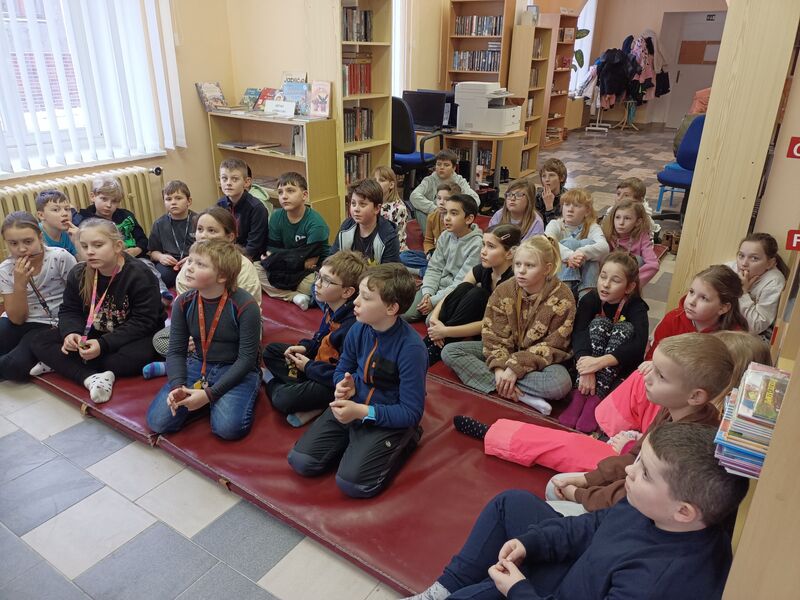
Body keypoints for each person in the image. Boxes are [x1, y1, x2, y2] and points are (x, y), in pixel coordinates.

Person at [406, 422, 749, 600]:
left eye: (645, 473)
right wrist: (532, 543)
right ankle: (444, 588)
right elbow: (594, 525)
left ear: (684, 511)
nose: (630, 471)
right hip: (586, 570)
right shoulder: (653, 507)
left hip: (572, 590)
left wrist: (519, 590)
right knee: (510, 503)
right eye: (639, 461)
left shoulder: (656, 584)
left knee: (483, 592)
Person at [452, 331, 769, 492]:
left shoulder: (705, 428)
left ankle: (496, 434)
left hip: (631, 470)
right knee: (572, 442)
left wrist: (584, 488)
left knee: (566, 448)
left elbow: (647, 465)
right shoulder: (692, 407)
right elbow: (649, 441)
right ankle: (500, 432)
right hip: (632, 453)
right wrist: (630, 440)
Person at [548, 333, 733, 515]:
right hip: (632, 491)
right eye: (653, 367)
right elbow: (635, 457)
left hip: (640, 511)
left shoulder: (685, 445)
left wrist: (580, 495)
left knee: (553, 490)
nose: (647, 378)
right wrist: (587, 479)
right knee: (557, 485)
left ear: (695, 396)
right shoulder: (674, 409)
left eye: (661, 376)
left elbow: (632, 492)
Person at [287, 263, 427, 498]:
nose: (356, 302)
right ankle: (354, 442)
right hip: (354, 405)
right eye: (358, 294)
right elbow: (342, 368)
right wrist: (343, 385)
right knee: (301, 461)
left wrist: (362, 412)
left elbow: (411, 412)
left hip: (384, 415)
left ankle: (406, 440)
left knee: (353, 484)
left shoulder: (411, 348)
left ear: (391, 308)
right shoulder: (358, 328)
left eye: (366, 298)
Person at [28, 219, 165, 403]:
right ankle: (91, 377)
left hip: (134, 335)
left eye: (98, 245)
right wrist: (72, 333)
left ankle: (63, 363)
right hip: (95, 331)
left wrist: (103, 344)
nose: (90, 251)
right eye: (84, 246)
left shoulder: (139, 274)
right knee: (39, 340)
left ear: (117, 246)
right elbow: (70, 310)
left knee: (132, 358)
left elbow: (144, 322)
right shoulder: (79, 273)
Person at [441, 236, 575, 416]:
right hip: (505, 351)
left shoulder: (563, 297)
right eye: (518, 264)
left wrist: (515, 368)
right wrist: (498, 369)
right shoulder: (504, 289)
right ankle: (521, 394)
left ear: (547, 268)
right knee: (450, 352)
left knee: (560, 384)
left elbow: (554, 345)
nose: (521, 271)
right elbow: (492, 333)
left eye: (530, 266)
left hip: (539, 362)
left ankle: (502, 385)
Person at [146, 240, 261, 440]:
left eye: (200, 264)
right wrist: (177, 386)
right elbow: (176, 351)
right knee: (158, 421)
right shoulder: (183, 302)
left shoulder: (245, 306)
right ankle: (202, 400)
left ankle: (207, 399)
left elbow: (247, 359)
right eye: (190, 261)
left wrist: (209, 394)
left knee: (228, 429)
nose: (189, 267)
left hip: (236, 368)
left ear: (222, 276)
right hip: (199, 363)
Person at [143, 207, 262, 379]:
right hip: (197, 328)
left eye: (212, 230)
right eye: (200, 229)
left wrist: (203, 337)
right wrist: (190, 336)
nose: (203, 235)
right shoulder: (190, 265)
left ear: (230, 237)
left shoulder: (243, 266)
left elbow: (250, 309)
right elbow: (184, 305)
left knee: (235, 350)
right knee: (160, 340)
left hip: (232, 328)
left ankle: (189, 363)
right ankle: (184, 362)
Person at [262, 250, 367, 427]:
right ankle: (309, 399)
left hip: (332, 382)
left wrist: (308, 367)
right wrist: (305, 348)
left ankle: (276, 383)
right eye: (318, 276)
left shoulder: (352, 327)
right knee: (271, 351)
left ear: (347, 291)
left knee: (283, 398)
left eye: (326, 281)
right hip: (318, 366)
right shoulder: (332, 307)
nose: (317, 283)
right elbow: (320, 339)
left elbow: (345, 376)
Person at [558, 251, 649, 432]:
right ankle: (579, 396)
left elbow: (638, 346)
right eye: (603, 276)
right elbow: (579, 333)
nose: (605, 284)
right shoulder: (590, 299)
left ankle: (595, 400)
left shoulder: (637, 306)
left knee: (625, 329)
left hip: (617, 370)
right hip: (586, 368)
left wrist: (600, 363)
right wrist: (587, 370)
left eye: (615, 281)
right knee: (599, 323)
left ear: (629, 287)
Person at [424, 224, 519, 364]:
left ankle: (437, 345)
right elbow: (454, 293)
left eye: (491, 246)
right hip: (473, 324)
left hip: (498, 332)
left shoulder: (513, 282)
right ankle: (431, 342)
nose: (483, 251)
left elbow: (491, 324)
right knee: (463, 289)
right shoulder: (482, 269)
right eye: (483, 245)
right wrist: (435, 319)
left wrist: (445, 331)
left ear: (509, 253)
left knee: (478, 294)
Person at [0, 212, 76, 379]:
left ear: (40, 237)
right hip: (20, 320)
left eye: (28, 241)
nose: (21, 249)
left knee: (14, 366)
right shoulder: (5, 269)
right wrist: (20, 284)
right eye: (13, 243)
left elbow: (78, 298)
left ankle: (47, 357)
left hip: (49, 323)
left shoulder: (60, 257)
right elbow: (17, 319)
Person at [74, 176, 172, 303]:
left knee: (147, 266)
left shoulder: (126, 216)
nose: (108, 205)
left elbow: (142, 239)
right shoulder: (86, 220)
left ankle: (162, 292)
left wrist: (137, 250)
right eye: (104, 199)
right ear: (93, 196)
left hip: (135, 258)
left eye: (114, 201)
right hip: (107, 263)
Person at [256, 172, 330, 311]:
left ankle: (291, 292)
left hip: (311, 272)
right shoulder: (276, 217)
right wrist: (291, 257)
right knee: (254, 269)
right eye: (280, 192)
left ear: (304, 195)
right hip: (288, 268)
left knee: (313, 286)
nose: (284, 196)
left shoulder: (316, 223)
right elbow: (271, 251)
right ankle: (293, 296)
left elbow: (309, 263)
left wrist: (278, 257)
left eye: (290, 191)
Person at [404, 194, 483, 322]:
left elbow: (462, 283)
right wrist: (428, 293)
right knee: (406, 314)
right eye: (445, 213)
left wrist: (434, 301)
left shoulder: (477, 245)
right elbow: (434, 267)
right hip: (437, 287)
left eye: (454, 213)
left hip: (456, 292)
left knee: (430, 321)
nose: (447, 218)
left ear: (469, 219)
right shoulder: (445, 236)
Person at [646, 263, 748, 360]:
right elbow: (653, 355)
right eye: (691, 292)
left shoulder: (734, 338)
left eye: (704, 298)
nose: (691, 302)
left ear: (723, 308)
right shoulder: (672, 319)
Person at [545, 189, 609, 299]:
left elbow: (604, 247)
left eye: (577, 206)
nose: (570, 209)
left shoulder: (592, 226)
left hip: (584, 280)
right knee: (571, 242)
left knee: (588, 244)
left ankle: (586, 297)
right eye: (566, 204)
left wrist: (582, 253)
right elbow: (547, 243)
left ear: (587, 211)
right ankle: (565, 292)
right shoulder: (555, 224)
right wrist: (570, 256)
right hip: (557, 278)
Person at [726, 232, 788, 336]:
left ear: (770, 263)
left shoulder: (774, 281)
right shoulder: (731, 268)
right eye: (741, 256)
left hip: (754, 334)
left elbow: (755, 327)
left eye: (754, 258)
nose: (744, 263)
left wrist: (742, 292)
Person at [410, 149, 480, 234]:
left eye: (446, 165)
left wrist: (454, 209)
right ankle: (430, 234)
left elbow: (475, 199)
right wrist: (435, 209)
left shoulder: (459, 181)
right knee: (418, 208)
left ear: (454, 168)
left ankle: (454, 234)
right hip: (435, 215)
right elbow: (414, 196)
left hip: (453, 216)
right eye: (439, 164)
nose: (442, 167)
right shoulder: (429, 180)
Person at [331, 178, 400, 265]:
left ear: (377, 208)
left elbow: (389, 272)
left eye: (362, 204)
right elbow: (333, 259)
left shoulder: (388, 237)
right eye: (353, 203)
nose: (356, 209)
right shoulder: (346, 227)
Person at [400, 182, 460, 277]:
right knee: (403, 256)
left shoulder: (457, 220)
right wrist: (430, 253)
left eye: (446, 199)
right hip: (435, 255)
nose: (441, 202)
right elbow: (428, 241)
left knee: (451, 267)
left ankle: (423, 272)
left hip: (451, 258)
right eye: (439, 198)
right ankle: (433, 270)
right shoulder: (432, 216)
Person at [216, 157, 269, 261]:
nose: (228, 183)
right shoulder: (219, 205)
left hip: (251, 259)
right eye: (224, 178)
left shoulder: (257, 208)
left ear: (247, 182)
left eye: (234, 179)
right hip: (226, 256)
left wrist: (234, 260)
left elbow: (254, 246)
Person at [147, 180, 197, 289]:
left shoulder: (198, 220)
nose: (173, 202)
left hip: (194, 260)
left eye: (178, 198)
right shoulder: (159, 224)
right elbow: (152, 252)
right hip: (170, 264)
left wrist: (193, 258)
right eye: (168, 199)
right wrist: (161, 257)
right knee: (160, 276)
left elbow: (208, 248)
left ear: (189, 201)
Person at [601, 199, 658, 288]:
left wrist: (631, 284)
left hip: (628, 279)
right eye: (617, 217)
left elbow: (653, 264)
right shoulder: (607, 233)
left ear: (638, 222)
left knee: (638, 260)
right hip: (607, 274)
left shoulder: (642, 236)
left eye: (627, 218)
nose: (621, 223)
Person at [374, 166, 410, 252]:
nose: (376, 183)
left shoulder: (399, 208)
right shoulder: (371, 203)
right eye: (375, 180)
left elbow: (397, 238)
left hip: (394, 249)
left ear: (391, 185)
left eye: (381, 180)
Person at [35, 190, 79, 257]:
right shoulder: (35, 235)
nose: (65, 213)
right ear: (41, 215)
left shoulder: (71, 233)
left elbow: (82, 261)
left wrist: (79, 241)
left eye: (67, 209)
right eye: (56, 210)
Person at [533, 158, 568, 226]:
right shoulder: (537, 196)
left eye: (551, 175)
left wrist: (549, 206)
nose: (547, 179)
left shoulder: (567, 198)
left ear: (562, 178)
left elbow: (557, 229)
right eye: (544, 176)